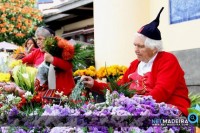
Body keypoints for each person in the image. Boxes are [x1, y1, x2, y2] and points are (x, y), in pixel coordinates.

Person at [81, 7, 191, 116]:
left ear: (154, 48)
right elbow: (119, 87)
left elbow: (162, 91)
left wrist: (135, 105)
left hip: (169, 109)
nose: (136, 50)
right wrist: (94, 84)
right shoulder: (135, 64)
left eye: (140, 46)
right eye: (135, 45)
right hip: (139, 110)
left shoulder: (168, 60)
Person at [14, 27, 75, 97]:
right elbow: (22, 61)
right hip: (44, 93)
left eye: (40, 39)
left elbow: (69, 66)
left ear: (49, 40)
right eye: (37, 39)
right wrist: (14, 65)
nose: (37, 42)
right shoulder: (37, 52)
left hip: (63, 93)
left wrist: (53, 59)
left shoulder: (60, 49)